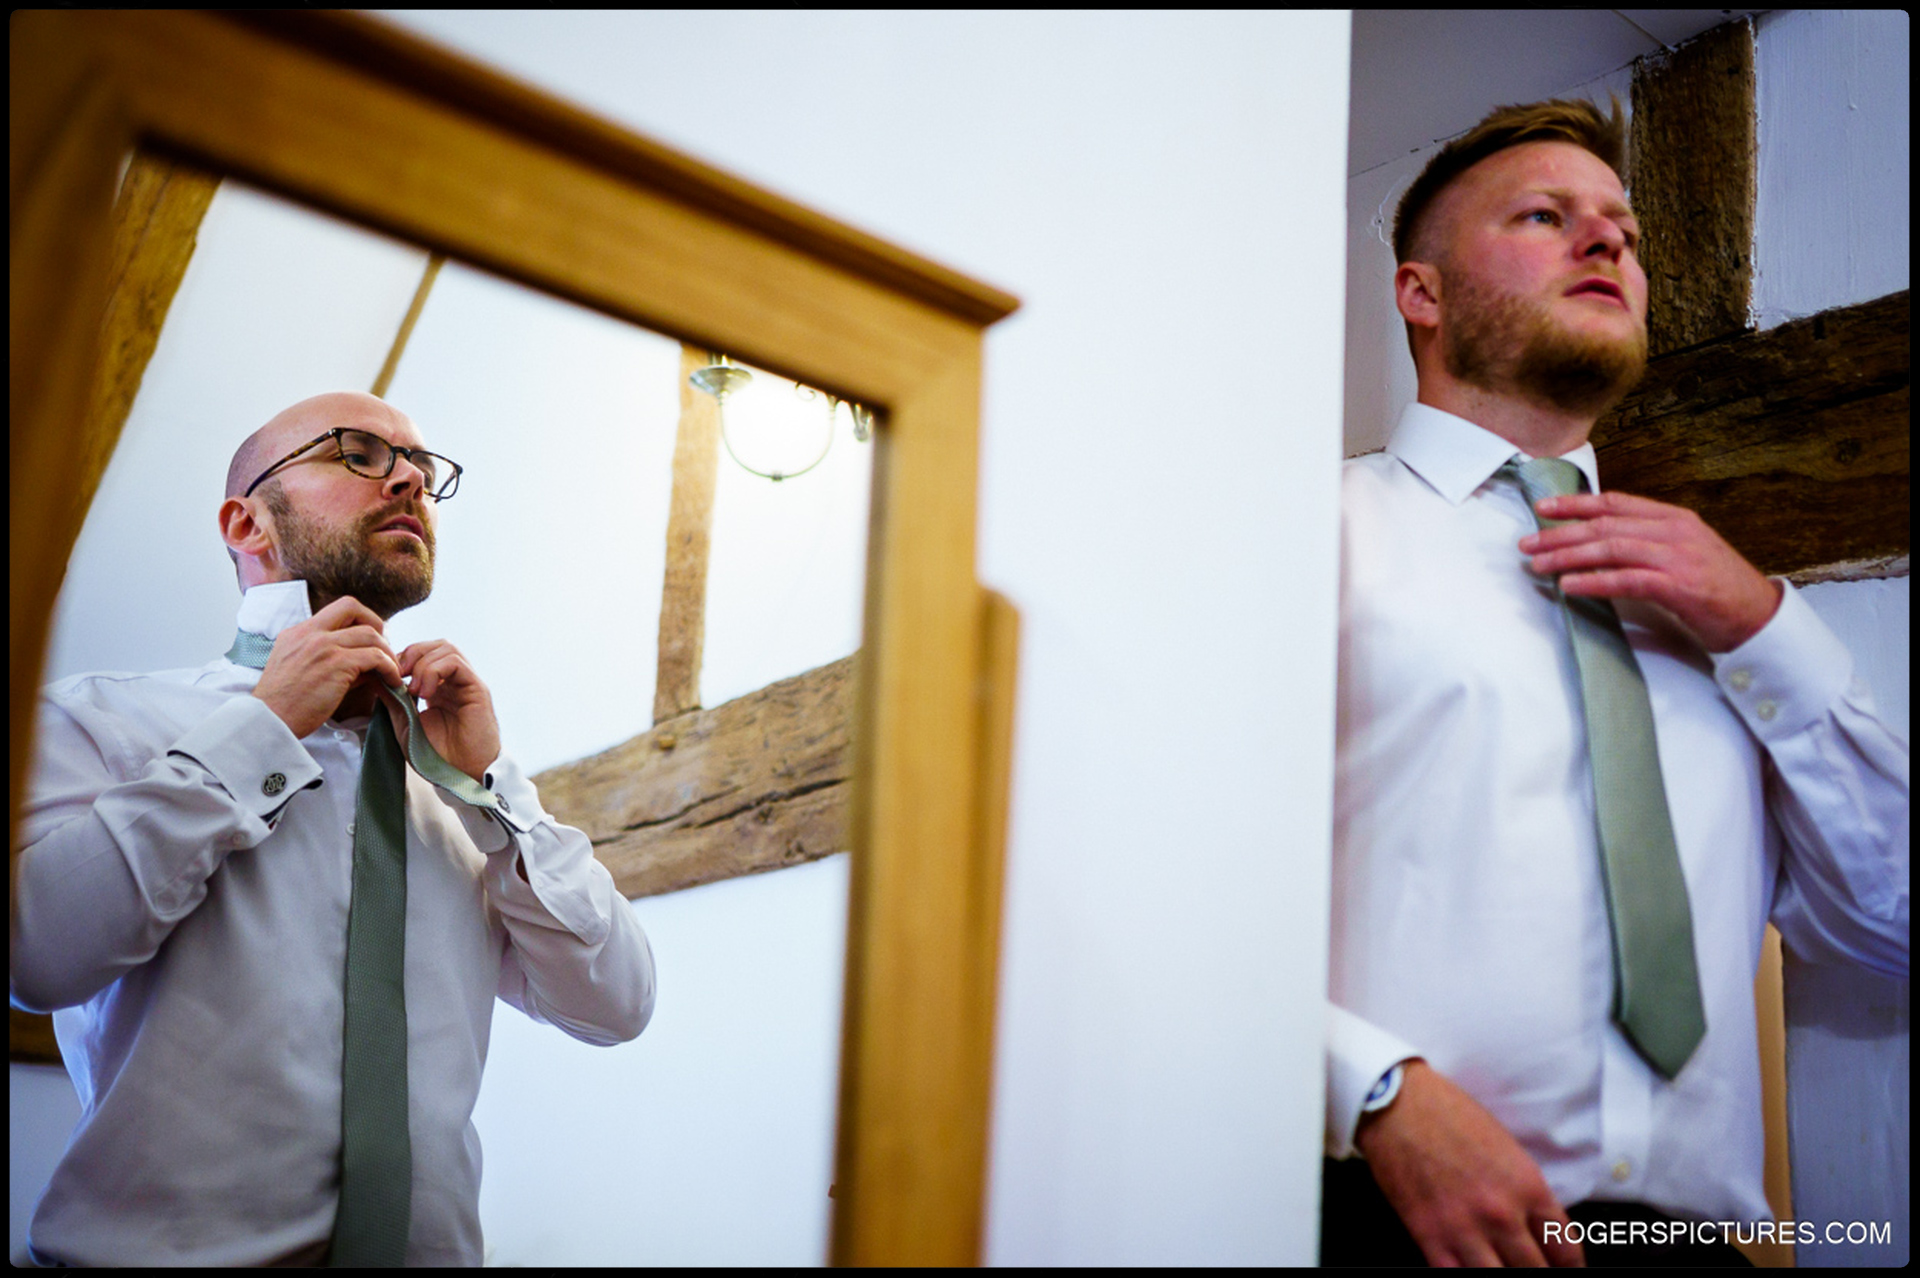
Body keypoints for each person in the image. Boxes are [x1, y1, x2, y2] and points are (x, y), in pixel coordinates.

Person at [1323, 100, 1908, 1266]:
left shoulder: (1722, 614)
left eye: (1626, 234)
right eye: (1546, 217)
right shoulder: (1308, 537)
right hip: (1375, 1219)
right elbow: (1159, 878)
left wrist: (1766, 627)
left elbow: (1890, 933)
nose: (1609, 246)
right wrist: (1368, 1091)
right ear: (1420, 294)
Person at [12, 392, 657, 1266]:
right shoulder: (98, 720)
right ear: (247, 523)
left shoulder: (460, 785)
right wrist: (262, 729)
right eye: (356, 452)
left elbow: (617, 1005)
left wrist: (493, 788)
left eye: (422, 471)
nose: (406, 480)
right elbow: (35, 956)